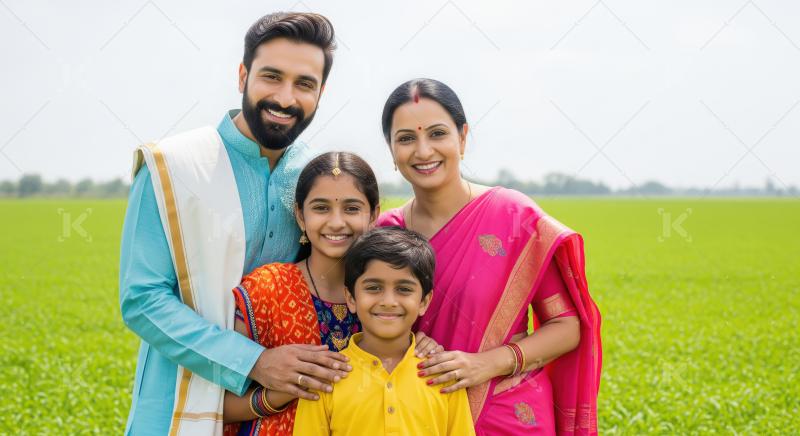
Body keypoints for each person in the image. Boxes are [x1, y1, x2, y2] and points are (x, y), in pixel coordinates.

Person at [119, 12, 350, 435]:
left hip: (284, 413)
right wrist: (254, 362)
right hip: (174, 405)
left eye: (304, 84)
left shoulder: (314, 181)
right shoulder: (174, 165)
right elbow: (143, 299)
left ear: (321, 92)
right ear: (243, 75)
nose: (285, 97)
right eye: (271, 76)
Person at [377, 79, 602, 435]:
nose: (423, 151)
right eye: (406, 138)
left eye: (437, 134)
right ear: (391, 150)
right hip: (417, 415)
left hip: (509, 412)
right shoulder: (385, 233)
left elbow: (567, 326)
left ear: (462, 138)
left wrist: (486, 364)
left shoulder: (514, 217)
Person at [221, 152, 442, 435]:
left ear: (374, 214)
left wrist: (418, 347)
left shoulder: (390, 297)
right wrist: (280, 392)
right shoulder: (266, 288)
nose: (336, 222)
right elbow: (212, 403)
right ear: (301, 215)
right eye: (321, 208)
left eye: (351, 208)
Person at [293, 227, 476, 436]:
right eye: (373, 288)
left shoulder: (444, 376)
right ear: (351, 298)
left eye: (404, 289)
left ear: (424, 301)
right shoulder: (327, 378)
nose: (388, 302)